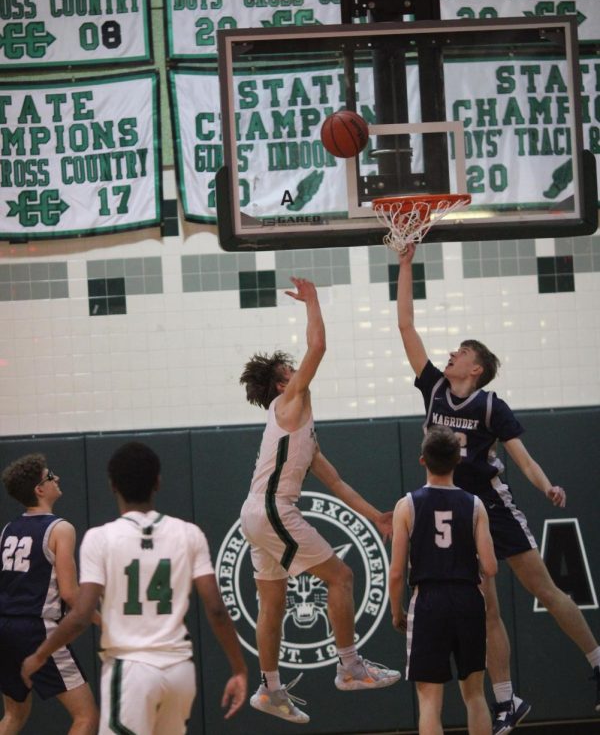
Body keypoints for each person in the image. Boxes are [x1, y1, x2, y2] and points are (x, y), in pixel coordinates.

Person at [396, 243, 600, 734]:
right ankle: (508, 702)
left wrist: (547, 486)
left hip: (490, 506)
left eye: (460, 352)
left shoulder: (491, 407)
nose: (451, 354)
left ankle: (596, 660)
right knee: (486, 606)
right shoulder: (434, 388)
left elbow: (522, 460)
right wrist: (405, 263)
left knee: (546, 589)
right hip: (456, 508)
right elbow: (406, 326)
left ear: (477, 368)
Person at [239, 276, 401, 724]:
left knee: (272, 603)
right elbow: (318, 347)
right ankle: (349, 666)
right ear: (280, 384)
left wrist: (378, 518)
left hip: (256, 514)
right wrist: (312, 302)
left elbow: (338, 484)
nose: (299, 373)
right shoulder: (290, 401)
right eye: (290, 372)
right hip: (273, 510)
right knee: (342, 576)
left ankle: (270, 691)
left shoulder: (301, 432)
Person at [21, 441, 247, 734]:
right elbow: (216, 609)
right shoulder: (189, 534)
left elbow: (79, 616)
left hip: (131, 670)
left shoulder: (100, 538)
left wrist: (39, 655)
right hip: (179, 671)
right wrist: (239, 669)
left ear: (113, 485)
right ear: (158, 482)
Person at [389, 425, 498, 735]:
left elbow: (397, 572)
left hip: (428, 601)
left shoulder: (406, 505)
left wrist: (397, 611)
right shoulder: (475, 504)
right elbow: (490, 567)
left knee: (429, 702)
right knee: (475, 695)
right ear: (458, 461)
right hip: (467, 600)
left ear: (422, 460)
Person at [0, 454, 98, 735]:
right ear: (39, 490)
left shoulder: (8, 529)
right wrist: (103, 621)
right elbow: (69, 592)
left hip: (4, 627)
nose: (57, 478)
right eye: (50, 476)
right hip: (35, 629)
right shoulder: (60, 528)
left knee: (13, 715)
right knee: (86, 717)